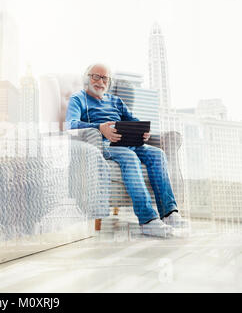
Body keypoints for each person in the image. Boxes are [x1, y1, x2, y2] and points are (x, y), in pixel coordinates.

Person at [65, 63, 189, 237]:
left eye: (104, 78)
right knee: (129, 156)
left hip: (128, 142)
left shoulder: (115, 101)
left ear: (108, 82)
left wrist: (143, 132)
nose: (100, 81)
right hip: (103, 145)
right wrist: (100, 128)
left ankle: (169, 213)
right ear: (87, 78)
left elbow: (133, 120)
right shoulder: (78, 98)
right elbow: (71, 124)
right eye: (96, 76)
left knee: (157, 154)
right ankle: (148, 220)